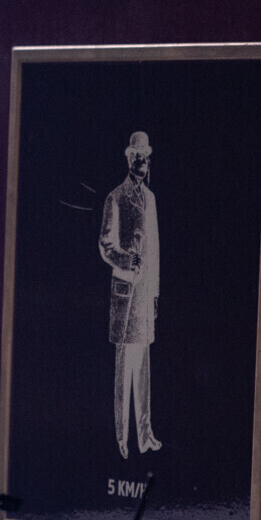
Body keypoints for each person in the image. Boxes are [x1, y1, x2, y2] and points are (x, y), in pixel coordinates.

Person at [99, 130, 161, 459]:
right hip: (126, 295)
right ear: (128, 159)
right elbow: (106, 245)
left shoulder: (150, 199)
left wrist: (155, 295)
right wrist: (126, 259)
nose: (142, 161)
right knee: (125, 369)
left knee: (144, 369)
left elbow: (155, 251)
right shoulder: (116, 198)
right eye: (137, 155)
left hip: (145, 296)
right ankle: (122, 439)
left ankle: (145, 435)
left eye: (145, 156)